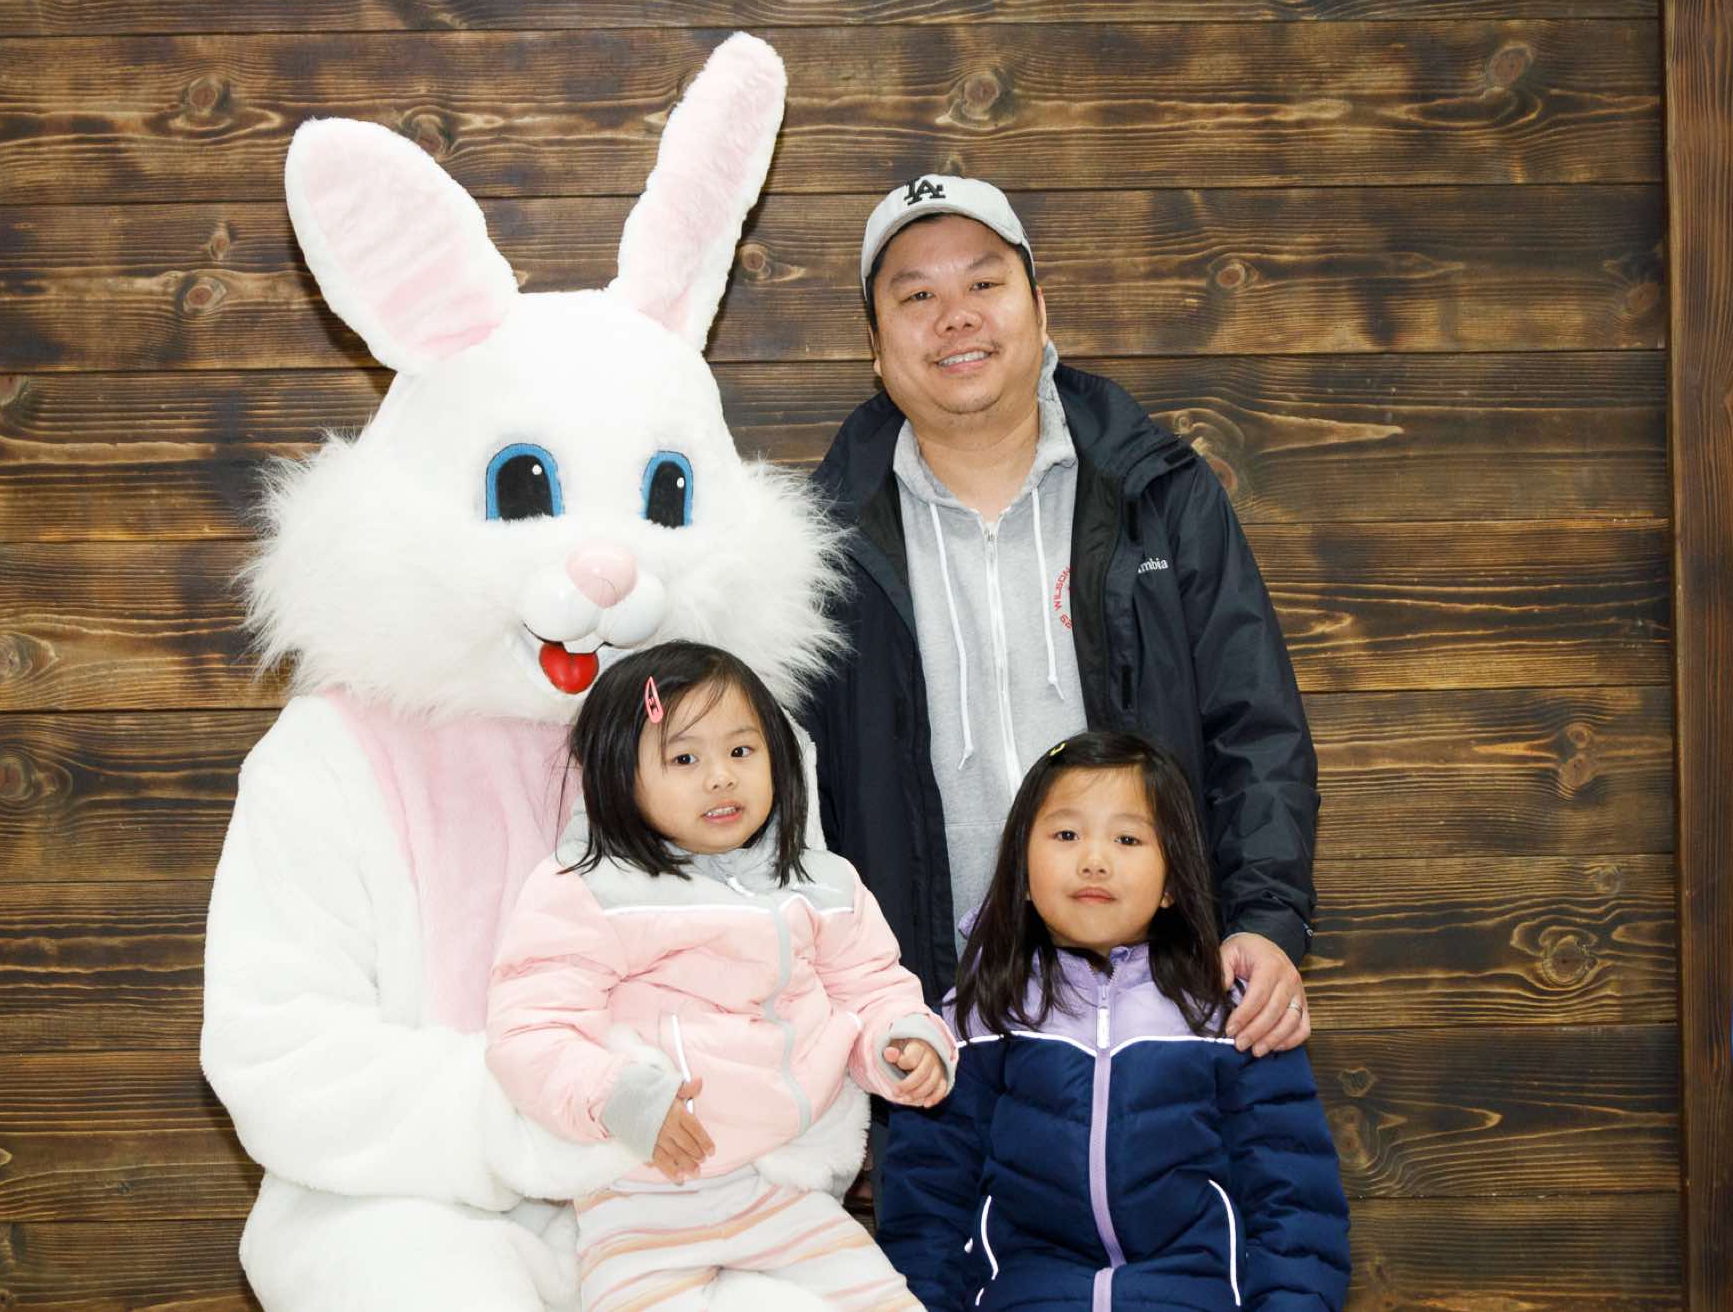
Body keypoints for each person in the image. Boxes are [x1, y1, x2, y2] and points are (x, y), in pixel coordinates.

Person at [800, 174, 1319, 1058]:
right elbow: (789, 799)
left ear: (1040, 310)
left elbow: (1255, 726)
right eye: (917, 296)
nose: (956, 316)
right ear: (875, 348)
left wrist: (1266, 920)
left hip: (1159, 1007)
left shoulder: (1160, 495)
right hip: (920, 1028)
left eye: (984, 282)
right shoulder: (820, 544)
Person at [486, 640, 959, 1312]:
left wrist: (901, 1038)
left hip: (786, 1187)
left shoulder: (821, 882)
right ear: (619, 776)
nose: (720, 777)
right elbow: (531, 1029)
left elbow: (871, 986)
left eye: (741, 750)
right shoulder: (590, 888)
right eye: (685, 758)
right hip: (641, 1197)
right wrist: (615, 1094)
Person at [878, 731, 1350, 1309]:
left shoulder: (1233, 1013)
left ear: (1172, 882)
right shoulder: (978, 1015)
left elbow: (1295, 1203)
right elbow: (927, 1204)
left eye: (1128, 838)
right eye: (1067, 835)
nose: (1094, 861)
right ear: (1022, 870)